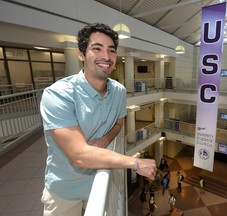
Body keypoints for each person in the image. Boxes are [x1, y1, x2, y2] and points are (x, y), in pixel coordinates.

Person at [40, 23, 157, 216]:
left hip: (101, 182)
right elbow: (79, 155)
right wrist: (136, 163)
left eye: (111, 50)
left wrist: (103, 140)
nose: (106, 56)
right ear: (81, 54)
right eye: (97, 48)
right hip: (65, 189)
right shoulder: (58, 95)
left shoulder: (118, 91)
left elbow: (118, 124)